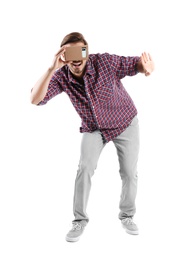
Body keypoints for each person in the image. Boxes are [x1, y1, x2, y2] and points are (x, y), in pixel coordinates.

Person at [31, 32, 155, 242]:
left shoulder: (104, 62)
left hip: (125, 122)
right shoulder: (62, 76)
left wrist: (146, 68)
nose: (76, 58)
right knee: (84, 169)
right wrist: (52, 68)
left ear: (87, 52)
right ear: (63, 55)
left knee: (129, 172)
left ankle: (127, 216)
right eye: (70, 53)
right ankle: (79, 220)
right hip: (94, 128)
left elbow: (134, 64)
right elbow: (35, 99)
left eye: (80, 51)